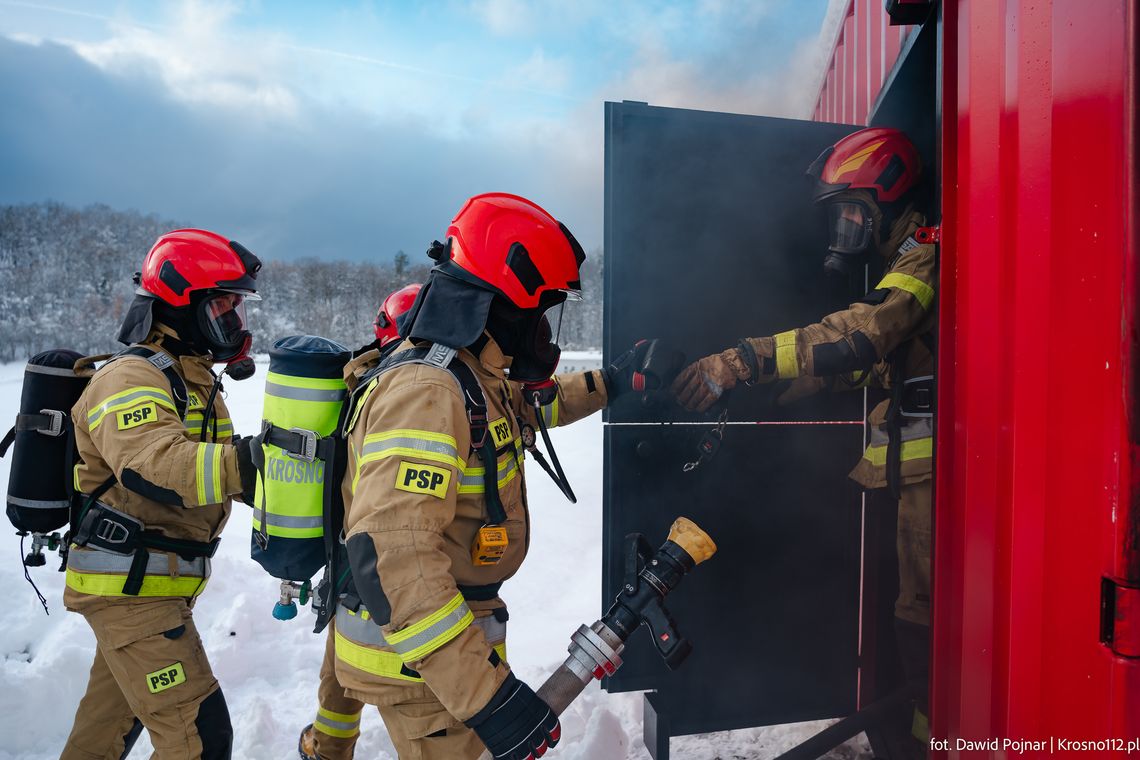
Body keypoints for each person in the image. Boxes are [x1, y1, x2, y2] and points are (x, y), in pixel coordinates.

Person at [330, 193, 644, 760]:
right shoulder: (428, 391)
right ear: (505, 304)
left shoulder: (473, 375)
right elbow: (395, 556)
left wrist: (615, 382)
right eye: (541, 310)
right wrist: (486, 700)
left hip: (444, 653)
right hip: (424, 673)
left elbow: (530, 408)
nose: (543, 329)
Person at [671, 127, 936, 748]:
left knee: (926, 633)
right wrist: (793, 390)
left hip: (938, 484)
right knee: (913, 628)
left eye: (852, 209)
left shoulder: (926, 252)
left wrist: (744, 361)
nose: (845, 226)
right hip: (914, 479)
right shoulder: (905, 260)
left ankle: (933, 744)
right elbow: (883, 364)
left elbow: (863, 334)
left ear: (888, 195)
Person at [60, 229, 261, 760]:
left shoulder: (193, 383)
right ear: (181, 305)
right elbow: (158, 468)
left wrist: (296, 485)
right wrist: (256, 459)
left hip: (152, 585)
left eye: (235, 307)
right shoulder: (130, 378)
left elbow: (215, 471)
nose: (233, 321)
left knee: (104, 733)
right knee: (198, 738)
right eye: (222, 306)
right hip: (130, 592)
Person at [297, 282, 423, 760]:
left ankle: (326, 749)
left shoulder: (364, 384)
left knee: (338, 671)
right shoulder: (411, 392)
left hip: (347, 565)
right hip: (388, 572)